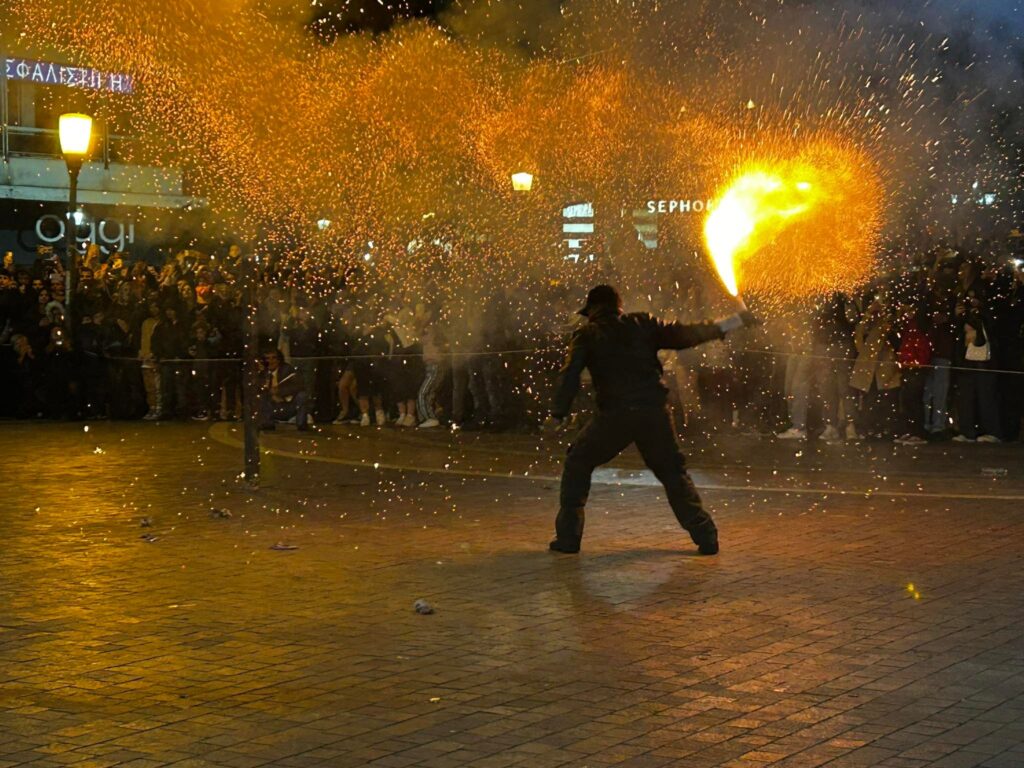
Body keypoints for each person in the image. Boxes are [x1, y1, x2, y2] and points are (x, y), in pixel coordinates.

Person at [545, 285, 757, 556]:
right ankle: (706, 534)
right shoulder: (642, 324)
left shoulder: (587, 334)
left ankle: (569, 537)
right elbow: (686, 334)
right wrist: (734, 321)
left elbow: (570, 375)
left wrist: (557, 414)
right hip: (654, 413)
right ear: (618, 306)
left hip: (615, 416)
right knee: (673, 473)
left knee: (578, 461)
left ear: (593, 309)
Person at [258, 349, 309, 431]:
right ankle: (267, 424)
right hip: (273, 406)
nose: (271, 361)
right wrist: (270, 394)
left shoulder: (288, 370)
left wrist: (279, 392)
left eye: (274, 358)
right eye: (267, 358)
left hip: (289, 405)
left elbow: (298, 386)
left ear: (279, 360)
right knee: (261, 397)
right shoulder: (263, 373)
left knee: (302, 395)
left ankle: (301, 425)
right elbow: (258, 389)